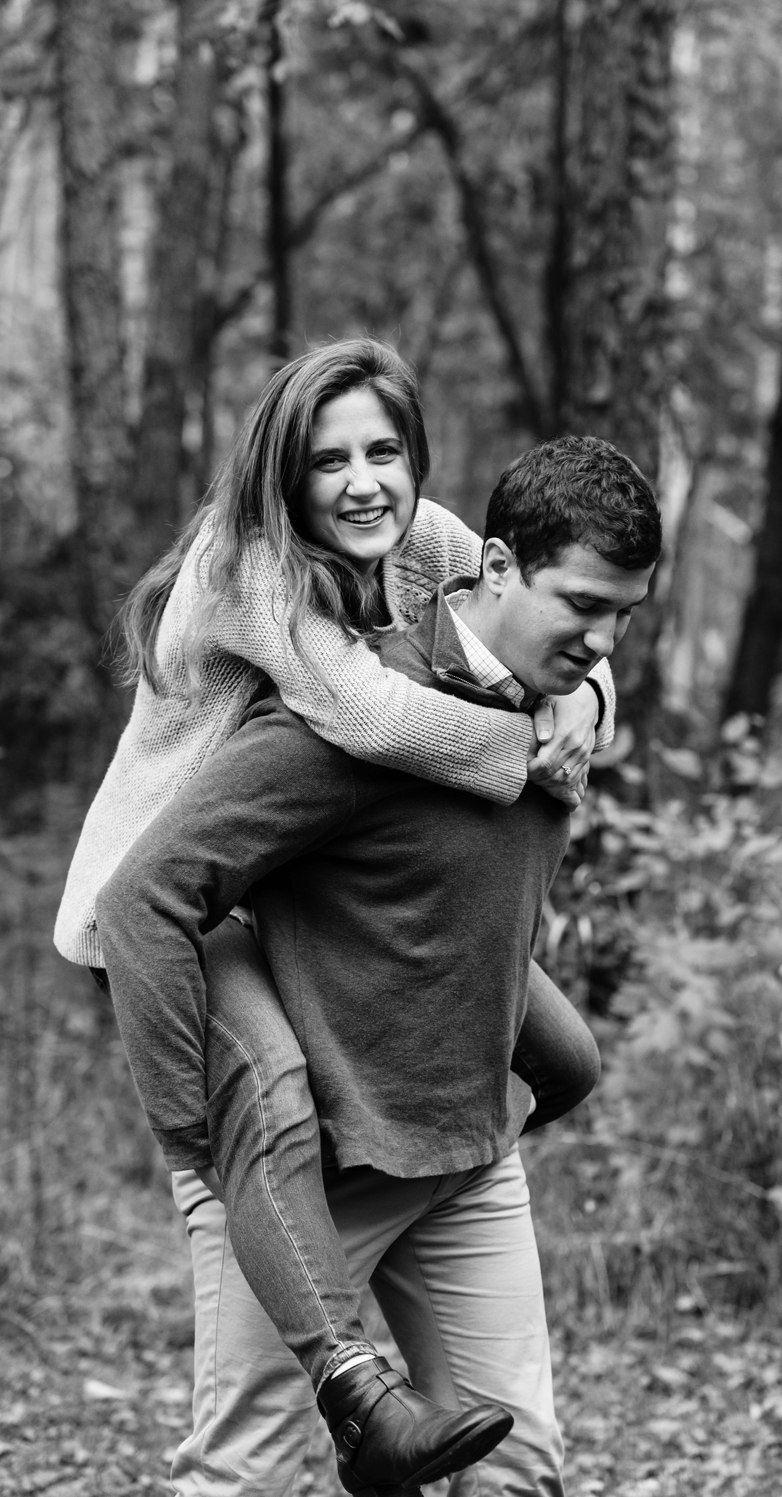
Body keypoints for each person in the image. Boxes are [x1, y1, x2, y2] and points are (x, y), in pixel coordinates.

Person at [55, 341, 614, 1486]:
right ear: (282, 477)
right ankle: (352, 1384)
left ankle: (430, 1194)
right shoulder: (254, 571)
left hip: (270, 886)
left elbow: (541, 595)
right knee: (265, 1098)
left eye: (385, 450)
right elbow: (375, 720)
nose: (363, 480)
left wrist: (588, 694)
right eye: (329, 460)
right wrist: (535, 748)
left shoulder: (425, 536)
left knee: (567, 1054)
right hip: (160, 903)